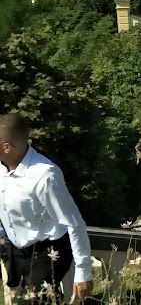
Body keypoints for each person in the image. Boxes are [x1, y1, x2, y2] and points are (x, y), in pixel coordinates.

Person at [0, 113, 93, 304]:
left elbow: (74, 223)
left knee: (36, 300)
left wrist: (83, 271)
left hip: (48, 252)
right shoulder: (2, 169)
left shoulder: (44, 175)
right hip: (17, 252)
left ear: (6, 147)